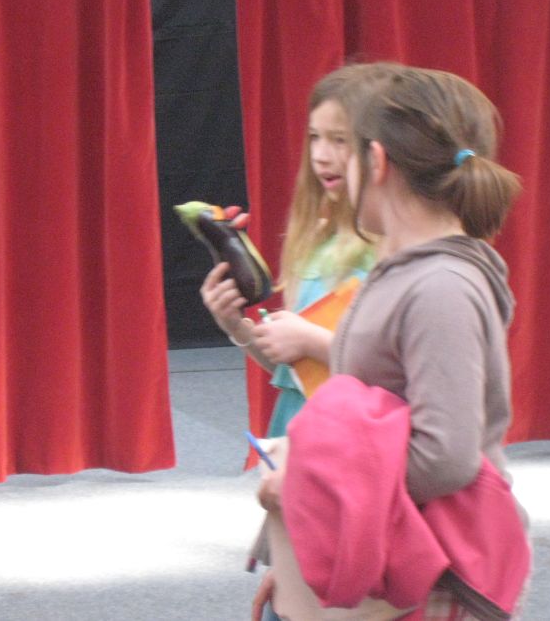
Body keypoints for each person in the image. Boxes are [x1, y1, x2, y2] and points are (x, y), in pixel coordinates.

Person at [258, 63, 527, 619]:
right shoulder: (405, 271)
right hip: (373, 566)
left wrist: (309, 488)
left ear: (376, 162)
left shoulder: (441, 287)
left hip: (417, 579)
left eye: (347, 150)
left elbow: (444, 457)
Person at [198, 65, 377, 620]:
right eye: (315, 138)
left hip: (356, 456)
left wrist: (313, 339)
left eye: (340, 140)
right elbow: (292, 367)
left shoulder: (392, 246)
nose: (322, 156)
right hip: (299, 445)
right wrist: (239, 329)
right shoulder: (315, 236)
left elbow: (394, 374)